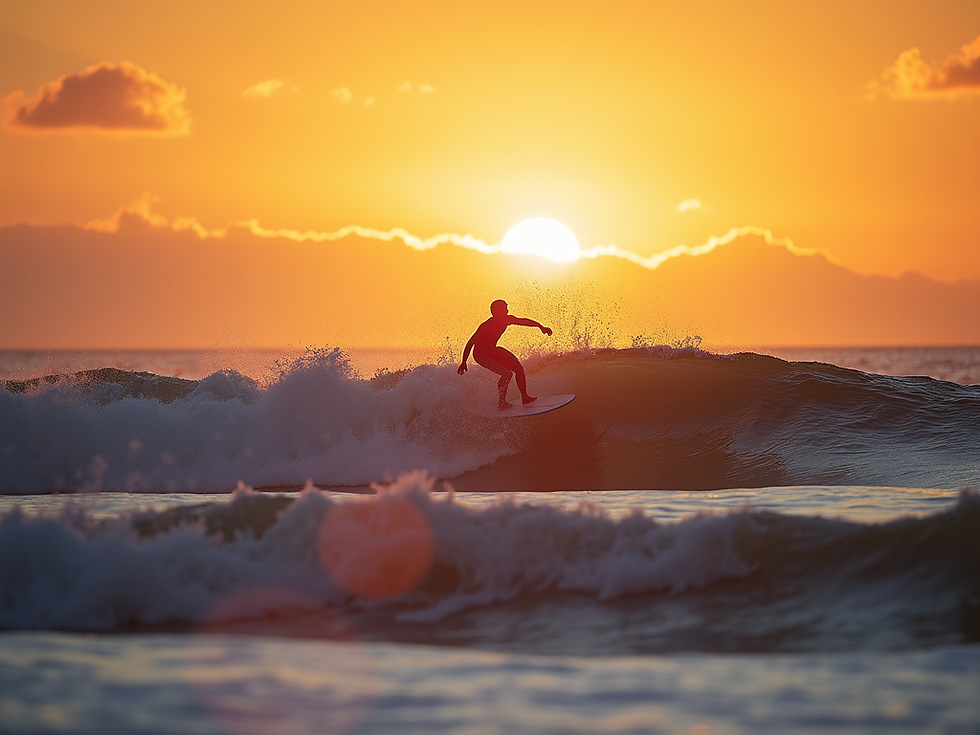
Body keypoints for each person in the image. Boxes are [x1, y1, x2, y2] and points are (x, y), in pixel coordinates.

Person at [457, 299, 553, 409]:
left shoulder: (506, 319)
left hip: (493, 350)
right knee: (507, 374)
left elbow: (523, 321)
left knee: (518, 369)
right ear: (496, 312)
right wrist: (464, 361)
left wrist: (540, 326)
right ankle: (501, 403)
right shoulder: (486, 326)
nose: (507, 310)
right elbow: (471, 342)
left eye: (506, 308)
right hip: (481, 355)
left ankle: (525, 397)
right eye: (505, 308)